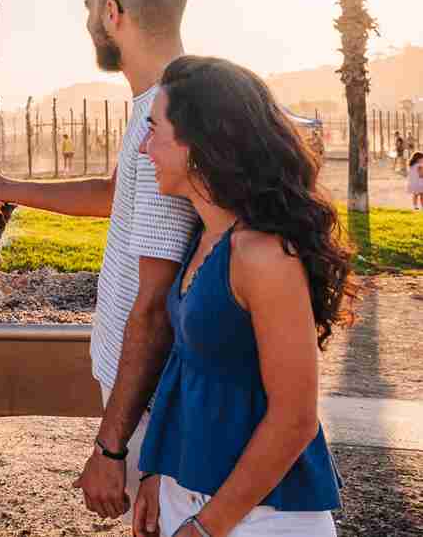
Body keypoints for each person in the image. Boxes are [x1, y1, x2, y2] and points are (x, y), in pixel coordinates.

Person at [0, 0, 199, 523]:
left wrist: (112, 447)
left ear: (112, 11)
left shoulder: (164, 117)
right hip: (148, 400)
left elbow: (154, 308)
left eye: (89, 7)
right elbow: (115, 194)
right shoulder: (162, 103)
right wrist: (3, 187)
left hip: (152, 405)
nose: (86, 22)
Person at [132, 56, 354, 537]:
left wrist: (207, 528)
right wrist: (157, 471)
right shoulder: (204, 235)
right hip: (188, 497)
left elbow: (295, 419)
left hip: (261, 518)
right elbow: (187, 368)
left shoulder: (264, 255)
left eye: (154, 130)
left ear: (199, 143)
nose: (144, 147)